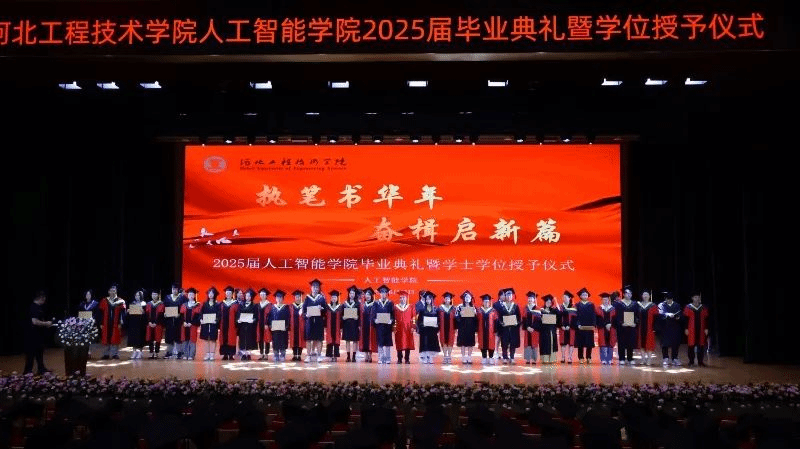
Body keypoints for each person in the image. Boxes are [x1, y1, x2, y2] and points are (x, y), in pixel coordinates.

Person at [24, 290, 53, 375]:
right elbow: (34, 321)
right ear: (41, 298)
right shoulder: (34, 307)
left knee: (39, 352)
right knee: (31, 354)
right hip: (32, 335)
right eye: (44, 298)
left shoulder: (38, 307)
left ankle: (41, 369)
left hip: (38, 335)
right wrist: (46, 323)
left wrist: (45, 324)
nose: (45, 300)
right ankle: (27, 372)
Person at [98, 284, 126, 359]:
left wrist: (121, 322)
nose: (112, 292)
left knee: (115, 338)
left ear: (116, 291)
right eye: (111, 291)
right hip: (106, 323)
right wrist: (101, 323)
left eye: (114, 291)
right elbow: (100, 313)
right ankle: (106, 354)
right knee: (106, 338)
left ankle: (114, 354)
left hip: (116, 323)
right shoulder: (104, 301)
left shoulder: (120, 301)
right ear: (108, 291)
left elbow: (123, 313)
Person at [614, 285, 639, 365]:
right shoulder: (618, 304)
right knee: (621, 342)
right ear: (624, 294)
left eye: (630, 293)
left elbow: (637, 315)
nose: (629, 295)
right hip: (621, 327)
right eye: (627, 293)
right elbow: (616, 315)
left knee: (630, 342)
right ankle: (621, 358)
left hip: (631, 326)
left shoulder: (635, 304)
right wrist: (621, 322)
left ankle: (630, 358)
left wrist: (635, 323)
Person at [684, 291, 710, 367]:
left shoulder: (703, 307)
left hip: (701, 329)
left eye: (698, 297)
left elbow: (706, 319)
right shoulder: (688, 307)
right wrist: (686, 328)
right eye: (695, 297)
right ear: (692, 298)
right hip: (691, 329)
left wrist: (706, 328)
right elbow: (686, 319)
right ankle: (691, 361)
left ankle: (700, 362)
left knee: (701, 346)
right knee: (691, 346)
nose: (697, 299)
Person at [304, 279, 326, 363]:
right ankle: (308, 356)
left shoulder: (321, 298)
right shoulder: (307, 298)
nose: (315, 289)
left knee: (319, 339)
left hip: (319, 321)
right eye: (314, 287)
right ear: (311, 288)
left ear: (319, 288)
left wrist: (322, 308)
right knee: (309, 339)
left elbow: (325, 310)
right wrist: (306, 315)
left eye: (317, 287)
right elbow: (304, 309)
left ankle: (319, 355)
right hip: (309, 321)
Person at [658, 291, 683, 366]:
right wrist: (667, 314)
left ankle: (674, 358)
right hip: (665, 327)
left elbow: (680, 314)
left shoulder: (676, 305)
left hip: (675, 327)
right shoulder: (661, 305)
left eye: (670, 299)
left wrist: (678, 317)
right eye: (667, 299)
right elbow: (660, 313)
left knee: (675, 343)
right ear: (665, 299)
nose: (669, 300)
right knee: (664, 343)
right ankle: (665, 358)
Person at [372, 285, 395, 364]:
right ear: (379, 294)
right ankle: (381, 358)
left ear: (387, 294)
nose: (383, 294)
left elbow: (393, 314)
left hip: (387, 326)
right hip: (380, 326)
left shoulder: (390, 303)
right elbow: (373, 314)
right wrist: (375, 320)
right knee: (380, 342)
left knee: (387, 342)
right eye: (382, 293)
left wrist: (391, 320)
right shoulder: (376, 303)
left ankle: (388, 358)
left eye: (385, 293)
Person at [498, 288, 521, 364]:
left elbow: (519, 317)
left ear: (512, 297)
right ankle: (505, 357)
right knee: (504, 343)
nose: (508, 297)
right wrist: (502, 323)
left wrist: (517, 323)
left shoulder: (515, 306)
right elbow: (499, 317)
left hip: (513, 328)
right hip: (504, 328)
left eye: (510, 295)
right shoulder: (502, 306)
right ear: (505, 296)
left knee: (513, 343)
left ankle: (512, 357)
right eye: (507, 295)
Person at [162, 283, 185, 359]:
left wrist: (180, 314)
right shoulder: (167, 297)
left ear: (178, 290)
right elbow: (164, 307)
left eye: (175, 289)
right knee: (169, 336)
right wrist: (164, 313)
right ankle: (169, 352)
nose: (174, 290)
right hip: (169, 320)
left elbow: (184, 308)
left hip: (178, 320)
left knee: (178, 336)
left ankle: (179, 352)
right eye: (173, 289)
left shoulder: (182, 298)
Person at [124, 288, 148, 360]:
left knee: (140, 338)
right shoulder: (132, 303)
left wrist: (144, 312)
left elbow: (146, 315)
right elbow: (129, 315)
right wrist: (128, 311)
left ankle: (140, 352)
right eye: (136, 295)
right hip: (133, 323)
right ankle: (134, 351)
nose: (137, 297)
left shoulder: (144, 304)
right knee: (133, 338)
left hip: (141, 324)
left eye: (139, 295)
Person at [417, 291, 440, 364]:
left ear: (432, 300)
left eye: (429, 299)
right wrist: (422, 325)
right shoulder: (422, 309)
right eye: (426, 299)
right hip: (425, 329)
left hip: (432, 329)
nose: (428, 301)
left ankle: (430, 357)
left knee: (431, 343)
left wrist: (437, 325)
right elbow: (419, 320)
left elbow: (438, 319)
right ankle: (425, 357)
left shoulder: (435, 309)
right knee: (425, 343)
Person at [575, 287, 597, 364]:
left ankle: (588, 357)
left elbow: (593, 315)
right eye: (583, 295)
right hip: (580, 327)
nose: (585, 296)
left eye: (586, 295)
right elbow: (576, 316)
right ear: (580, 296)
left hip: (589, 326)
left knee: (589, 343)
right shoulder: (577, 305)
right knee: (580, 343)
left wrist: (594, 324)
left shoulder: (591, 305)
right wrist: (577, 324)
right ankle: (581, 357)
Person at [199, 287, 221, 361]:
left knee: (212, 339)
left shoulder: (217, 304)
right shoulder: (204, 304)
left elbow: (219, 314)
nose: (210, 295)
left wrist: (216, 320)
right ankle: (207, 354)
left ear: (215, 295)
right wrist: (201, 319)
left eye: (212, 293)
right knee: (206, 339)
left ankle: (212, 354)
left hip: (213, 324)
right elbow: (201, 313)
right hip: (205, 324)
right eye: (209, 293)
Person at [637, 289, 659, 365]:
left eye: (647, 294)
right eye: (644, 294)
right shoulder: (638, 305)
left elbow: (656, 318)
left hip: (650, 328)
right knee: (641, 343)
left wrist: (655, 328)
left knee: (649, 343)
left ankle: (649, 359)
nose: (645, 296)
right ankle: (643, 359)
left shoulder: (653, 306)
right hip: (640, 327)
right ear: (642, 296)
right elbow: (635, 316)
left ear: (649, 296)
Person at [179, 288, 202, 360]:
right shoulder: (184, 305)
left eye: (192, 294)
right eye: (189, 294)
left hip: (193, 326)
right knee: (185, 340)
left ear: (195, 295)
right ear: (187, 296)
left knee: (192, 340)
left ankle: (191, 355)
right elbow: (181, 316)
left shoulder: (198, 305)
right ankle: (185, 354)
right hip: (184, 326)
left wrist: (191, 323)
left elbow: (198, 317)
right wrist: (183, 322)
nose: (191, 296)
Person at [236, 288, 259, 360]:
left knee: (249, 339)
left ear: (251, 297)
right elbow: (238, 314)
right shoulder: (241, 305)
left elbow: (256, 316)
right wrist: (238, 320)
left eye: (249, 296)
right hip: (243, 325)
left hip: (250, 325)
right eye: (246, 296)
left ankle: (248, 353)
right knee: (242, 339)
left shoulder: (254, 306)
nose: (247, 297)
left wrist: (253, 320)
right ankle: (243, 354)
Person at [77, 289, 100, 358]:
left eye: (89, 294)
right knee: (83, 338)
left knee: (89, 338)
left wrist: (93, 319)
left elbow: (97, 314)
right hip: (83, 323)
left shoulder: (95, 304)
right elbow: (79, 314)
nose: (88, 296)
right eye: (87, 294)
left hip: (91, 323)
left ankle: (89, 352)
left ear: (91, 295)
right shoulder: (82, 304)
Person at [455, 291, 477, 364]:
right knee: (463, 343)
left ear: (471, 298)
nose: (467, 299)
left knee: (470, 343)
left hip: (471, 328)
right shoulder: (459, 307)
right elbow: (456, 317)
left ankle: (469, 357)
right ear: (463, 298)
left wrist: (475, 314)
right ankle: (463, 357)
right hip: (462, 327)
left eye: (469, 297)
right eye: (466, 297)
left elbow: (476, 318)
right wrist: (461, 314)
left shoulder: (473, 307)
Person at [393, 290, 415, 364]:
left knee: (408, 343)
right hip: (399, 328)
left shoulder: (410, 307)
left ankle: (407, 359)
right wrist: (394, 327)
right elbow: (394, 318)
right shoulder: (396, 307)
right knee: (399, 343)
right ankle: (399, 358)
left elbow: (413, 317)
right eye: (401, 298)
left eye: (404, 298)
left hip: (408, 328)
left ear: (406, 298)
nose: (402, 299)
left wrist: (413, 326)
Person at [536, 294, 559, 364]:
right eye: (547, 302)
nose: (548, 303)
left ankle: (552, 358)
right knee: (544, 344)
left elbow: (559, 315)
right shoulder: (541, 310)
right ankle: (545, 359)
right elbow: (538, 321)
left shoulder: (554, 310)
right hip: (544, 330)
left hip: (552, 330)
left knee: (552, 343)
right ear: (545, 302)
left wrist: (556, 303)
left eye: (550, 302)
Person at [476, 294, 498, 364]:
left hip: (491, 331)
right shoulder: (479, 311)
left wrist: (496, 330)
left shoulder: (493, 311)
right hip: (481, 331)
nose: (486, 303)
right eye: (485, 302)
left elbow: (496, 321)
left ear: (490, 302)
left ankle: (491, 357)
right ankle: (484, 357)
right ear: (482, 302)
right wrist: (476, 329)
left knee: (491, 344)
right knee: (482, 343)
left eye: (487, 302)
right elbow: (476, 321)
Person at [219, 286, 239, 360]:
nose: (228, 294)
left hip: (232, 325)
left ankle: (231, 355)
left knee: (231, 339)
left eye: (230, 293)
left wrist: (237, 323)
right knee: (223, 338)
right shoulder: (222, 303)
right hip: (223, 325)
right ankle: (225, 354)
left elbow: (238, 314)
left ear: (232, 294)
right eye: (227, 293)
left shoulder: (235, 303)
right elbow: (219, 314)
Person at [596, 292, 617, 365]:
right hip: (602, 328)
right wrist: (605, 325)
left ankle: (610, 358)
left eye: (607, 299)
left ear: (609, 300)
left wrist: (610, 324)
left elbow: (615, 319)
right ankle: (603, 359)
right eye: (604, 299)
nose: (605, 301)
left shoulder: (613, 309)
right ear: (601, 300)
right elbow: (598, 320)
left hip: (611, 328)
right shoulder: (598, 309)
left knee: (610, 343)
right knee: (603, 343)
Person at [269, 290, 290, 362]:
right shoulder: (273, 307)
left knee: (283, 341)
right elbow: (270, 317)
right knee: (275, 341)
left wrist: (286, 326)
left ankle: (283, 355)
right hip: (275, 329)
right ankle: (276, 355)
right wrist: (271, 325)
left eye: (280, 298)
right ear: (275, 299)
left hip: (283, 329)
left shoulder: (286, 307)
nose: (279, 299)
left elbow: (288, 318)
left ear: (283, 299)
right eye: (277, 297)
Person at [342, 286, 360, 362]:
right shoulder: (345, 304)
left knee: (355, 340)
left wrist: (358, 318)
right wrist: (343, 318)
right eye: (350, 293)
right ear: (348, 294)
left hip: (355, 324)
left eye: (353, 293)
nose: (351, 295)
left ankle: (354, 356)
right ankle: (348, 356)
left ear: (355, 294)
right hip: (347, 324)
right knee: (347, 340)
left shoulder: (358, 304)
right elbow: (342, 315)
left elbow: (360, 315)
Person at [522, 291, 540, 365]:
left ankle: (534, 359)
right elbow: (523, 319)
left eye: (531, 298)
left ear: (534, 299)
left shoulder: (537, 308)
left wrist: (533, 328)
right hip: (527, 330)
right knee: (527, 344)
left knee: (534, 344)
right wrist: (527, 327)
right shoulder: (525, 308)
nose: (530, 299)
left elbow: (538, 320)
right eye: (529, 298)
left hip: (534, 330)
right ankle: (528, 359)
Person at [145, 290, 165, 359]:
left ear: (158, 295)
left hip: (158, 324)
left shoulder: (161, 304)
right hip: (150, 324)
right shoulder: (148, 304)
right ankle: (151, 352)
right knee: (150, 338)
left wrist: (156, 323)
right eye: (153, 294)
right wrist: (149, 322)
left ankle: (156, 352)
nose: (154, 296)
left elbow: (162, 315)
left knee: (158, 338)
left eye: (155, 294)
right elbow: (146, 315)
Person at [558, 290, 577, 363]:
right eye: (563, 297)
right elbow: (558, 318)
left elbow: (575, 319)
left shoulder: (573, 307)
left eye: (566, 297)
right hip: (562, 328)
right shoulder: (560, 307)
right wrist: (561, 325)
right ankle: (563, 357)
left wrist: (570, 326)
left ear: (569, 298)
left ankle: (570, 357)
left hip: (571, 328)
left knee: (571, 343)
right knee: (563, 343)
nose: (564, 298)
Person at [325, 289, 343, 362]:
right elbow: (325, 317)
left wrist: (341, 327)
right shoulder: (327, 307)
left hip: (337, 327)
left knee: (336, 341)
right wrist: (325, 326)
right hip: (329, 327)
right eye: (332, 297)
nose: (334, 299)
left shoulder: (340, 307)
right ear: (331, 298)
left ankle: (335, 355)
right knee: (329, 340)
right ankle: (329, 355)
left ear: (337, 298)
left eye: (335, 297)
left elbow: (342, 318)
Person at [359, 287, 377, 362]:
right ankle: (366, 355)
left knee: (370, 340)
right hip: (364, 324)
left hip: (371, 325)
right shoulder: (362, 304)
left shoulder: (374, 304)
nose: (367, 296)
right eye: (366, 295)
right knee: (365, 340)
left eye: (369, 295)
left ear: (371, 296)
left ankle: (370, 355)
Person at [438, 292, 456, 364]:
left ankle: (449, 356)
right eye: (446, 298)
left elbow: (456, 319)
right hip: (442, 328)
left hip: (451, 328)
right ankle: (445, 356)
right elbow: (437, 318)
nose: (447, 300)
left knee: (450, 341)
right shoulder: (440, 308)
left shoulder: (454, 308)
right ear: (444, 299)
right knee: (443, 341)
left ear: (450, 300)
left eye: (448, 299)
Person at [289, 289, 306, 361]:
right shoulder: (290, 306)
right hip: (293, 326)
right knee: (293, 341)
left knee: (300, 340)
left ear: (301, 297)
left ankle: (299, 355)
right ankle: (294, 355)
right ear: (294, 298)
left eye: (299, 297)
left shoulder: (304, 306)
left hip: (301, 326)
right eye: (296, 297)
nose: (297, 298)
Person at [257, 288, 273, 361]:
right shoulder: (258, 305)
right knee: (260, 339)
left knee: (267, 339)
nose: (262, 296)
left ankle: (266, 354)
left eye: (264, 295)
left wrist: (267, 323)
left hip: (266, 325)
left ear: (266, 296)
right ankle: (261, 354)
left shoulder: (269, 305)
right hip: (259, 324)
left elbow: (271, 315)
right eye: (261, 295)